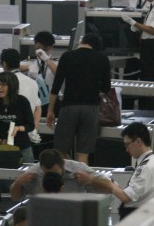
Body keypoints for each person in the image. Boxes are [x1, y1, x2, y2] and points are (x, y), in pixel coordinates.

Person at [46, 33, 111, 164]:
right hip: (91, 109)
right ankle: (81, 182)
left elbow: (56, 86)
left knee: (61, 152)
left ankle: (64, 181)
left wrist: (50, 110)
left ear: (82, 41)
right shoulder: (102, 58)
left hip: (69, 107)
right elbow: (106, 88)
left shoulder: (67, 56)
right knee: (83, 154)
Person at [78, 122, 154, 219]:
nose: (126, 150)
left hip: (137, 219)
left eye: (127, 145)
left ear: (138, 142)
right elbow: (131, 193)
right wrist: (109, 183)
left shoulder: (146, 167)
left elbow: (126, 197)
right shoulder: (147, 161)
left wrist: (92, 180)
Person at [10, 147, 101, 201]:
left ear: (63, 165)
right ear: (41, 168)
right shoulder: (33, 172)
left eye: (55, 174)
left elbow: (109, 185)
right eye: (47, 174)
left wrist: (91, 180)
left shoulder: (78, 169)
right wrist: (18, 182)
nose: (52, 177)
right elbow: (15, 198)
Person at [0, 71, 36, 163]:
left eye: (3, 85)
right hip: (2, 148)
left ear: (11, 87)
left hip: (22, 147)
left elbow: (31, 125)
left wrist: (18, 128)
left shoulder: (22, 101)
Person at [0, 48, 42, 126]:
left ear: (4, 64)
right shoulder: (33, 82)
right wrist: (34, 130)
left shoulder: (5, 83)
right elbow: (38, 108)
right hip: (28, 129)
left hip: (12, 130)